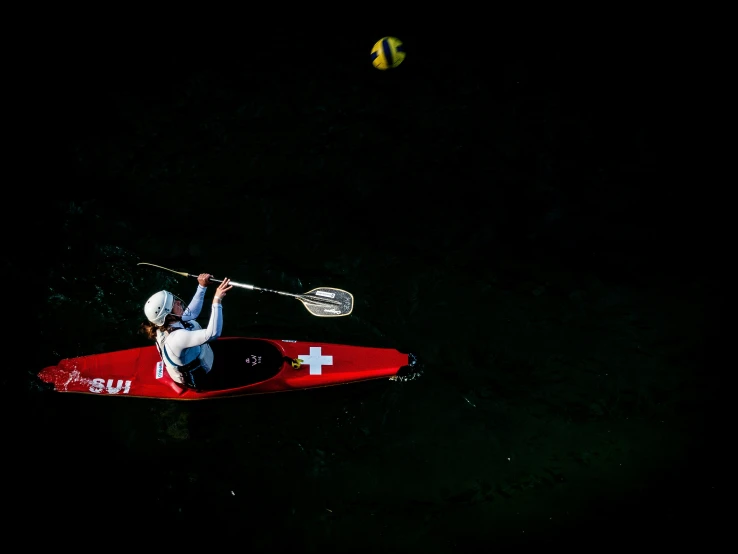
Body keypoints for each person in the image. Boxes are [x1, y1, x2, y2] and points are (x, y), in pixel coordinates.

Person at [139, 273, 233, 390]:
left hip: (204, 358)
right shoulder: (177, 338)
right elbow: (213, 334)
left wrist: (202, 287)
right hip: (203, 379)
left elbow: (192, 313)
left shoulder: (168, 322)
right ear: (168, 316)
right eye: (174, 304)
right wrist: (217, 300)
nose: (178, 302)